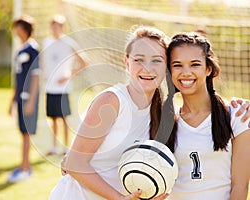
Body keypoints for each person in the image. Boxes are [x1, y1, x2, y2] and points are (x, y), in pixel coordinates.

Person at [49, 26, 171, 200]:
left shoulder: (161, 112)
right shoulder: (111, 101)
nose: (147, 68)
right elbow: (74, 163)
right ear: (127, 63)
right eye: (139, 59)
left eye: (157, 60)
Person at [165, 32, 250, 199]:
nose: (186, 72)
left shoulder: (237, 116)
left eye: (195, 64)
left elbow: (240, 185)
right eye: (177, 65)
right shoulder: (165, 121)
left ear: (208, 69)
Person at [42, 14, 86, 155]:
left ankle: (66, 147)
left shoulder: (69, 43)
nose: (55, 28)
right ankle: (54, 147)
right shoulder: (46, 42)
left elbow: (84, 61)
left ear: (62, 27)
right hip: (50, 87)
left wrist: (68, 75)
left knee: (64, 118)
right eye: (53, 25)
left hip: (63, 88)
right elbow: (44, 60)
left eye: (58, 26)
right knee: (53, 118)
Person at [8, 15, 40, 182]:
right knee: (22, 133)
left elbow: (35, 77)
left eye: (18, 28)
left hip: (28, 98)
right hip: (20, 98)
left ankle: (26, 169)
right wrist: (12, 100)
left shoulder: (33, 49)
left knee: (26, 134)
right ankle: (23, 165)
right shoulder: (21, 48)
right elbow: (18, 78)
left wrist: (31, 101)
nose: (16, 31)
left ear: (24, 29)